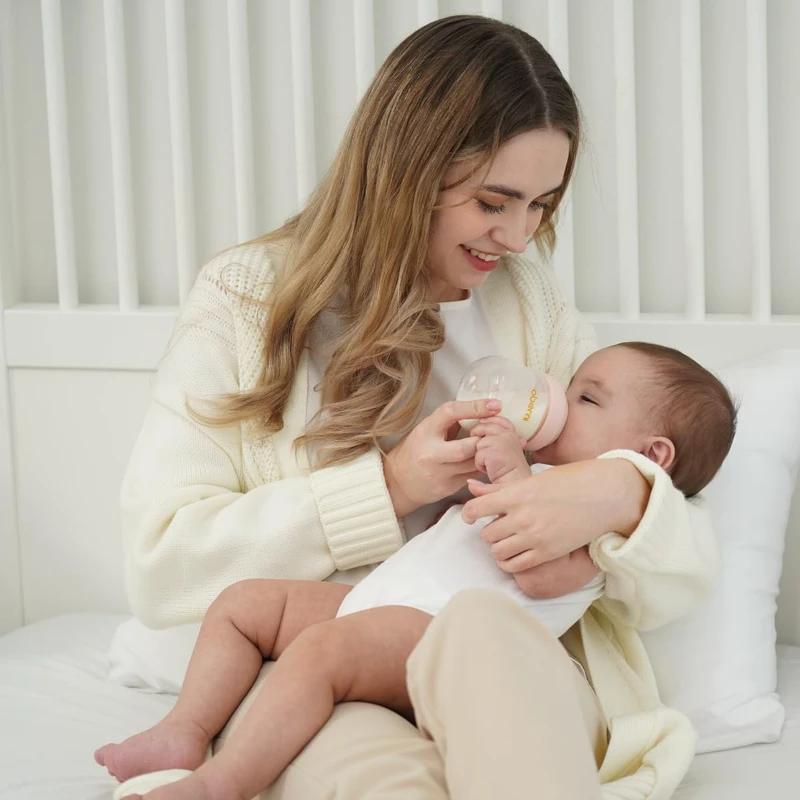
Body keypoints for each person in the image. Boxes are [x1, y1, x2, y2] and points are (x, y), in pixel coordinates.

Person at [117, 14, 721, 800]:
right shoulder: (248, 300)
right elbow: (162, 565)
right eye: (493, 201)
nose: (517, 237)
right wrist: (390, 486)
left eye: (541, 205)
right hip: (331, 656)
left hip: (503, 656)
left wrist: (622, 488)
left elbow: (680, 561)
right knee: (380, 767)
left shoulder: (531, 304)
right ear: (407, 172)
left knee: (480, 630)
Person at [97, 342, 736, 800]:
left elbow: (538, 575)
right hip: (380, 602)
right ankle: (185, 729)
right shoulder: (549, 474)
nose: (561, 402)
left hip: (437, 637)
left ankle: (222, 785)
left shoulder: (607, 531)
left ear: (651, 456)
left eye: (587, 399)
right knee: (244, 605)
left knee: (320, 654)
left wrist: (514, 476)